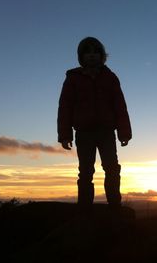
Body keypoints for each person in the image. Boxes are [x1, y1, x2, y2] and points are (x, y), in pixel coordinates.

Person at [57, 37, 132, 210]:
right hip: (84, 133)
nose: (91, 56)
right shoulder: (73, 78)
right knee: (85, 171)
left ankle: (115, 205)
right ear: (81, 56)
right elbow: (65, 107)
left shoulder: (110, 78)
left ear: (101, 55)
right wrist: (65, 135)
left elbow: (120, 106)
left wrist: (124, 133)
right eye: (87, 52)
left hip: (106, 132)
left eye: (95, 52)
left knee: (112, 168)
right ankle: (84, 208)